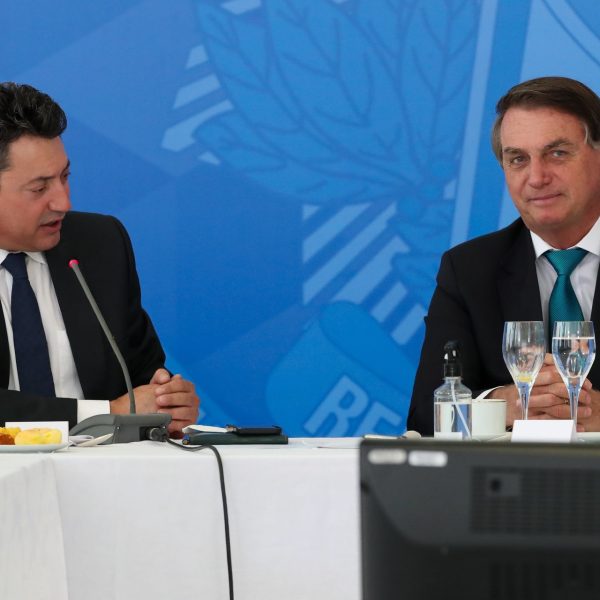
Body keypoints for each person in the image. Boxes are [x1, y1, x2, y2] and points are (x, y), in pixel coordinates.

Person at [0, 82, 199, 435]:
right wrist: (108, 413)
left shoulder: (100, 244)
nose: (63, 202)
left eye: (65, 177)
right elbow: (124, 406)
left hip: (104, 466)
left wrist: (168, 401)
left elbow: (142, 374)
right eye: (40, 188)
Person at [409, 76, 600, 435]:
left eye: (557, 153)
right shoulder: (468, 269)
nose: (537, 177)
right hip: (509, 472)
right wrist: (507, 405)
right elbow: (424, 417)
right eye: (518, 159)